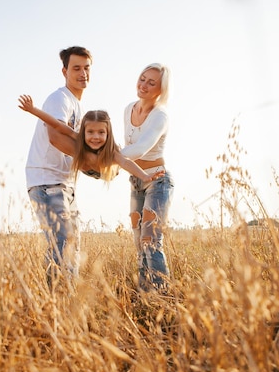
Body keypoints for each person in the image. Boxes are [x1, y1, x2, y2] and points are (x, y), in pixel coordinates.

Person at [24, 46, 92, 284]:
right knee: (62, 246)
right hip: (47, 181)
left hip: (64, 183)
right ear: (64, 71)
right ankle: (57, 308)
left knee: (70, 245)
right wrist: (90, 162)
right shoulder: (59, 98)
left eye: (86, 68)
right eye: (76, 68)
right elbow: (56, 137)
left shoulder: (79, 106)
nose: (82, 73)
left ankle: (66, 308)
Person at [18, 95, 165, 183]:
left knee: (118, 156)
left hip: (106, 169)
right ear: (83, 132)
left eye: (101, 132)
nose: (95, 137)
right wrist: (33, 109)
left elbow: (126, 162)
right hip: (87, 166)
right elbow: (57, 124)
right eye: (90, 132)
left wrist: (144, 176)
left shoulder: (111, 152)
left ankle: (112, 155)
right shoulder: (78, 138)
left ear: (108, 134)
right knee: (61, 128)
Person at [119, 63, 174, 292]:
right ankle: (145, 297)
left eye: (152, 83)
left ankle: (164, 298)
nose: (144, 85)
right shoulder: (128, 109)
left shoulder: (160, 116)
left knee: (150, 242)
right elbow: (128, 148)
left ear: (160, 90)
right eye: (142, 79)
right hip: (136, 182)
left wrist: (107, 157)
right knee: (138, 243)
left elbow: (140, 148)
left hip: (157, 181)